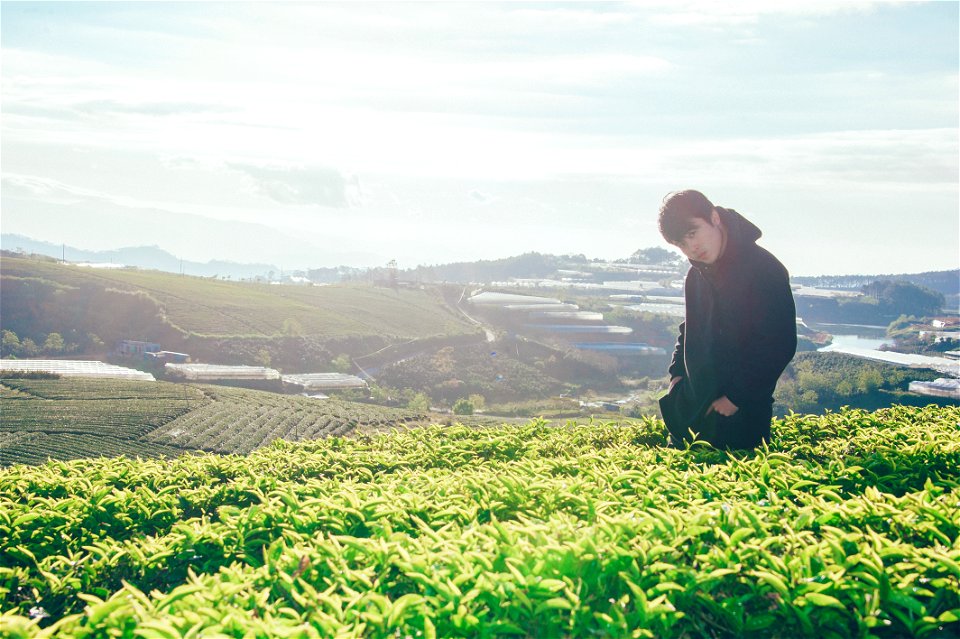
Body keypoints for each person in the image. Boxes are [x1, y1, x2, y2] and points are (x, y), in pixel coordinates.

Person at [657, 190, 797, 450]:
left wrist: (736, 398)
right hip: (690, 410)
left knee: (734, 488)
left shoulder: (765, 269)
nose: (691, 248)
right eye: (681, 244)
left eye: (692, 233)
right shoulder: (695, 275)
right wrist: (676, 375)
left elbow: (780, 344)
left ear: (714, 217)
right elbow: (688, 329)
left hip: (739, 416)